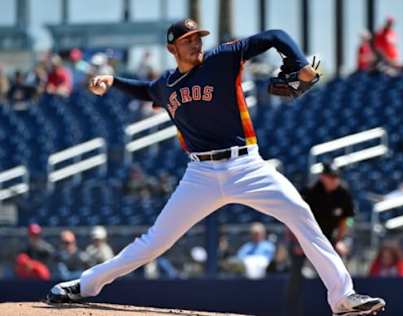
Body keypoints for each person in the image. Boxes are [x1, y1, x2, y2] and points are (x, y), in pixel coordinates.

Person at [47, 18, 385, 316]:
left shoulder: (221, 59)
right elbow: (145, 90)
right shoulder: (166, 85)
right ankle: (86, 285)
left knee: (301, 215)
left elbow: (275, 34)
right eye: (188, 40)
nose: (196, 43)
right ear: (172, 48)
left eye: (198, 37)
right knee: (154, 242)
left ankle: (342, 297)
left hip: (247, 166)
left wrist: (297, 62)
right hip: (200, 176)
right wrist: (113, 80)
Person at [286, 163, 356, 316]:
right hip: (305, 236)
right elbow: (291, 216)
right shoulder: (310, 191)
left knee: (339, 267)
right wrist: (297, 241)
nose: (334, 180)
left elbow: (348, 220)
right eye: (331, 177)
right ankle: (292, 311)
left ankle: (343, 308)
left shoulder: (343, 193)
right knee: (296, 276)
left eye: (336, 177)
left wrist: (339, 241)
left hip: (329, 238)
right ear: (323, 177)